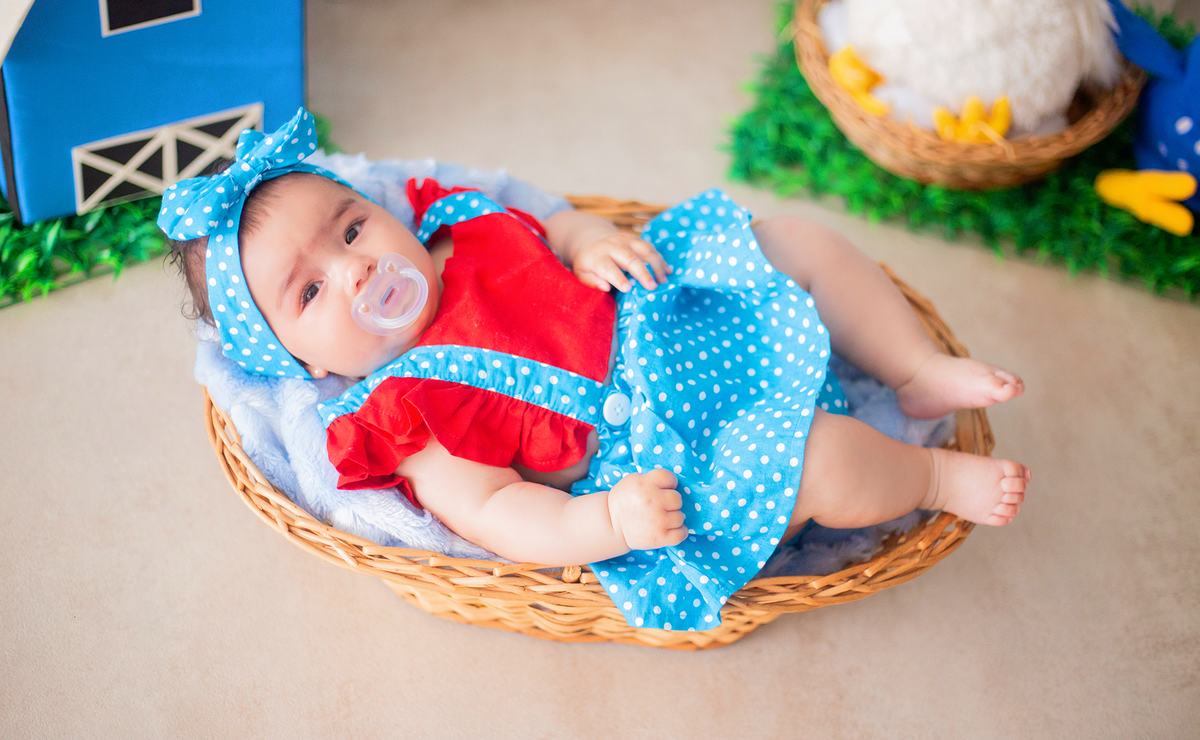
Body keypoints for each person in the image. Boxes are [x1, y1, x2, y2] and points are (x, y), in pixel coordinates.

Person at [163, 110, 1028, 631]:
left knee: (794, 239)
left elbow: (557, 223)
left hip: (677, 315)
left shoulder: (463, 225)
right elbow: (503, 515)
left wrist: (589, 241)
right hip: (681, 450)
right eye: (311, 290)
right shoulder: (409, 414)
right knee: (828, 456)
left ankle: (913, 369)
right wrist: (609, 523)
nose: (356, 269)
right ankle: (932, 472)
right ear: (302, 364)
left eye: (352, 230)